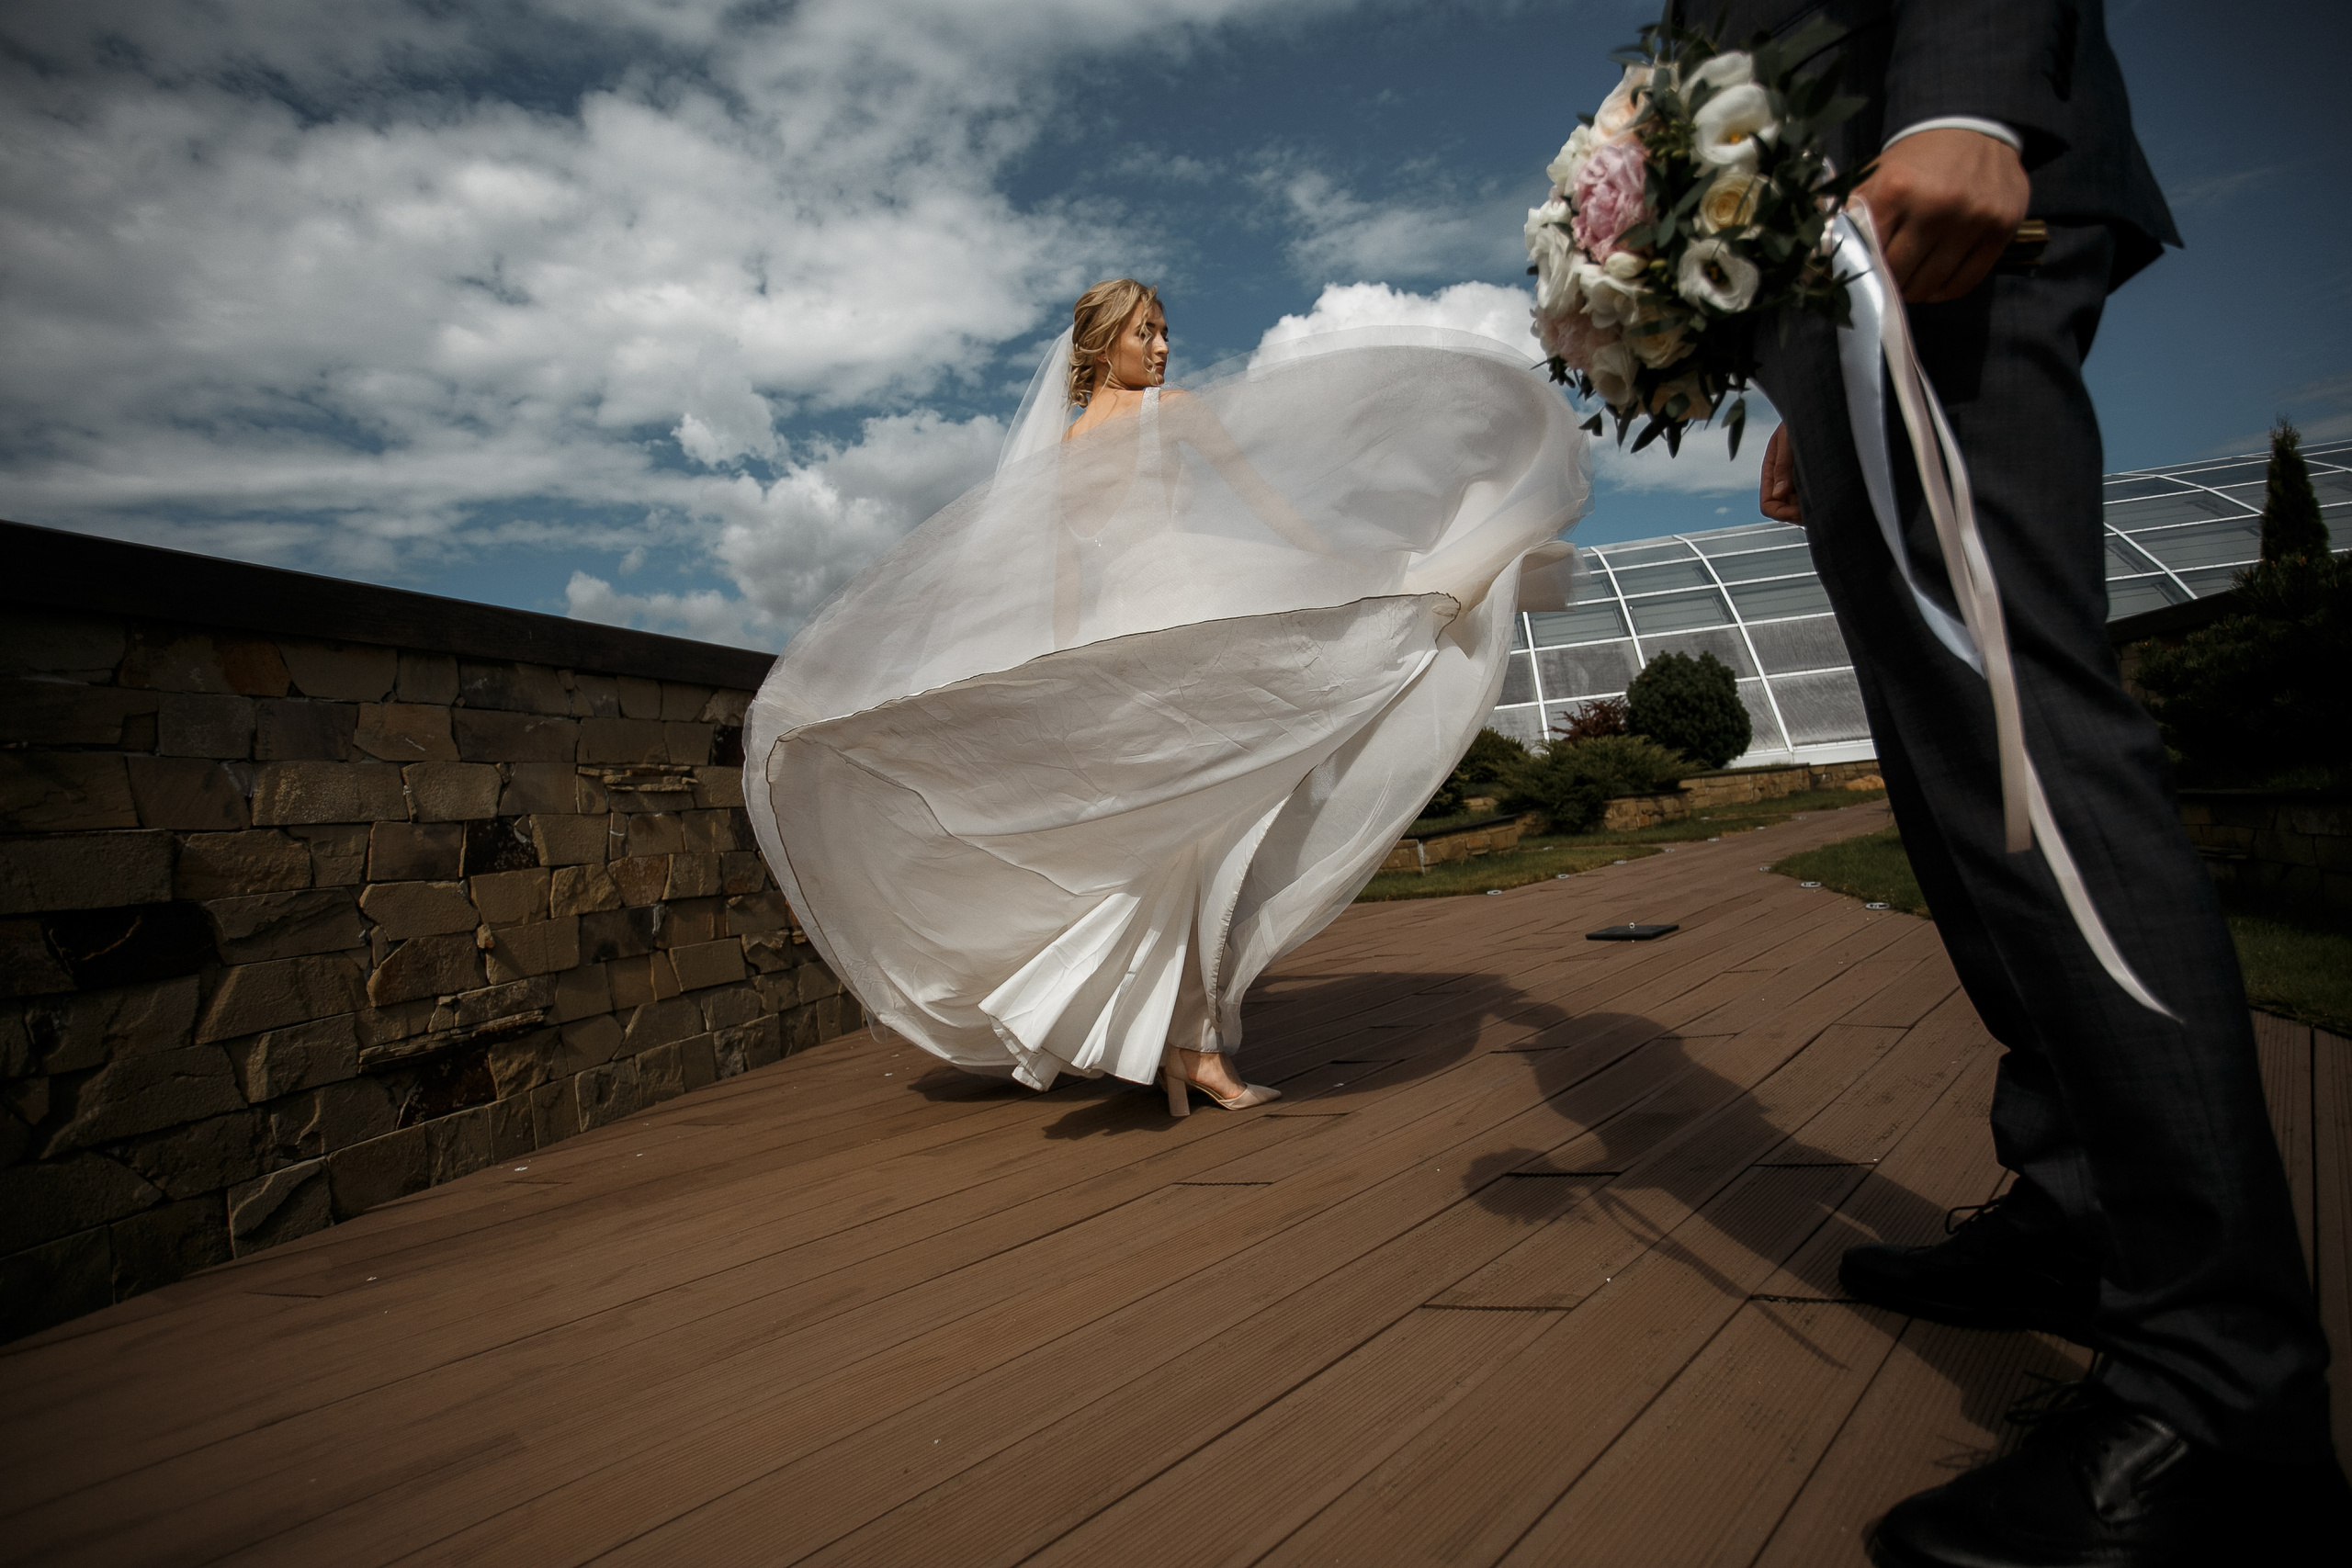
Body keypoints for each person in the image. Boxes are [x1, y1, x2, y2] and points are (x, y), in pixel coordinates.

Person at [1676, 0, 2348, 1561]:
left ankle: (2228, 1390)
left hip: (1924, 181)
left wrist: (1966, 91)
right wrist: (1796, 381)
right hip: (1833, 268)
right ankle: (2075, 1211)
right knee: (1942, 769)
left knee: (2022, 737)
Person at [740, 279, 1588, 1116]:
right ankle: (1188, 1042)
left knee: (1199, 823)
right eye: (1145, 332)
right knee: (1173, 831)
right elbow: (1133, 551)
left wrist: (1366, 577)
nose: (1162, 346)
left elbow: (1260, 516)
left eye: (1164, 330)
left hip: (1172, 630)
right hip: (1156, 635)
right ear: (1103, 342)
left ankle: (1183, 1038)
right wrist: (1067, 668)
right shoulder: (1119, 432)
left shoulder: (1123, 429)